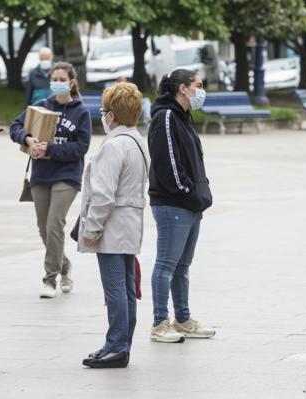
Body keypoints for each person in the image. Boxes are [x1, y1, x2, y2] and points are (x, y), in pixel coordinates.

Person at [77, 82, 149, 368]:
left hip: (112, 224)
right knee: (127, 287)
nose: (103, 115)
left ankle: (117, 345)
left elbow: (104, 195)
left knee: (115, 288)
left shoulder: (113, 146)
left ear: (112, 115)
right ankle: (120, 343)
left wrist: (92, 229)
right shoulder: (137, 140)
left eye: (104, 110)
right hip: (131, 221)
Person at [10, 62, 92, 298]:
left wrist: (51, 149)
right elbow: (14, 126)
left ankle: (50, 279)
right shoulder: (41, 106)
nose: (56, 83)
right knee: (43, 229)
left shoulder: (81, 112)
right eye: (53, 79)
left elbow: (81, 147)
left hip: (67, 175)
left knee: (55, 224)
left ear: (71, 83)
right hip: (41, 175)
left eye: (61, 79)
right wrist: (27, 140)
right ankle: (65, 266)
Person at [147, 69, 215, 343]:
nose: (202, 91)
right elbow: (168, 163)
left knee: (182, 265)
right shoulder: (166, 116)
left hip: (190, 203)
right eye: (198, 85)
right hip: (173, 203)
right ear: (182, 88)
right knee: (166, 264)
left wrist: (200, 193)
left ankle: (183, 319)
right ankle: (160, 322)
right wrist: (188, 191)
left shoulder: (183, 116)